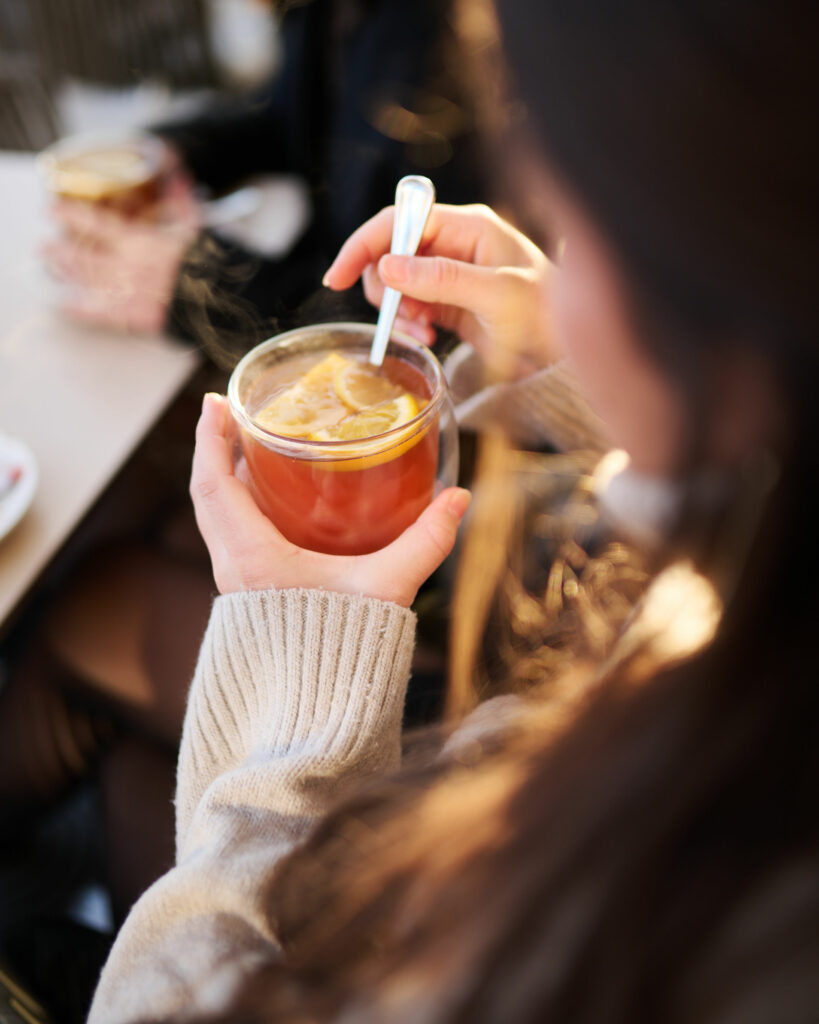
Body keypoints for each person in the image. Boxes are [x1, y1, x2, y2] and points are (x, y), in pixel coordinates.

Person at [81, 0, 819, 1018]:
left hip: (449, 685)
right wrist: (605, 378)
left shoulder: (649, 878)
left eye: (569, 216)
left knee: (84, 625)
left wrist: (300, 671)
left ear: (694, 268)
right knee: (128, 748)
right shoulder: (744, 578)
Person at [41, 0, 487, 366]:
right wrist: (182, 150)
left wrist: (201, 290)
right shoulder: (326, 12)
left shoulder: (448, 49)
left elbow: (414, 325)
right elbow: (292, 118)